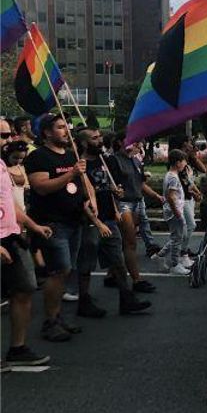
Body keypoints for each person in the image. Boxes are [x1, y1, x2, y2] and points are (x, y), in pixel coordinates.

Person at [24, 114, 90, 342]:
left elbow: (78, 184)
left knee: (66, 270)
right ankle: (49, 322)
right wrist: (72, 173)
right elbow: (41, 187)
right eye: (61, 127)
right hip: (53, 223)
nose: (66, 130)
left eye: (67, 127)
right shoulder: (38, 157)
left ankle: (58, 316)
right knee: (58, 270)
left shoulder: (71, 155)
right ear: (47, 132)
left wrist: (87, 198)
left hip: (74, 221)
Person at [76, 129, 151, 316]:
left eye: (99, 137)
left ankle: (126, 299)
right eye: (94, 138)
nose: (100, 140)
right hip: (90, 221)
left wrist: (116, 200)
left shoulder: (106, 161)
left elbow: (111, 188)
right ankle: (83, 301)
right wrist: (96, 221)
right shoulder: (79, 165)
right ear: (84, 144)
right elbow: (83, 197)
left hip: (109, 217)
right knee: (87, 263)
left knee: (117, 260)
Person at [1, 118, 52, 368]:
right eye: (2, 136)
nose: (7, 139)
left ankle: (17, 348)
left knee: (25, 288)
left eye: (8, 135)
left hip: (12, 236)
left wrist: (33, 226)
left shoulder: (1, 166)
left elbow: (10, 204)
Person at [106, 134, 160, 293]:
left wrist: (155, 196)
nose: (138, 144)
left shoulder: (136, 160)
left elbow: (140, 183)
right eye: (133, 141)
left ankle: (111, 274)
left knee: (124, 242)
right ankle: (137, 279)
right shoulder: (114, 160)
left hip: (136, 202)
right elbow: (109, 184)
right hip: (123, 204)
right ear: (119, 142)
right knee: (130, 243)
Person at [161, 149, 191, 275]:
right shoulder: (173, 178)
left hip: (172, 211)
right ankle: (175, 264)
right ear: (178, 162)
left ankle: (161, 256)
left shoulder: (171, 175)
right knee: (177, 239)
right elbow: (171, 197)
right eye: (184, 162)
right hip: (174, 212)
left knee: (176, 237)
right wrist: (178, 214)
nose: (185, 165)